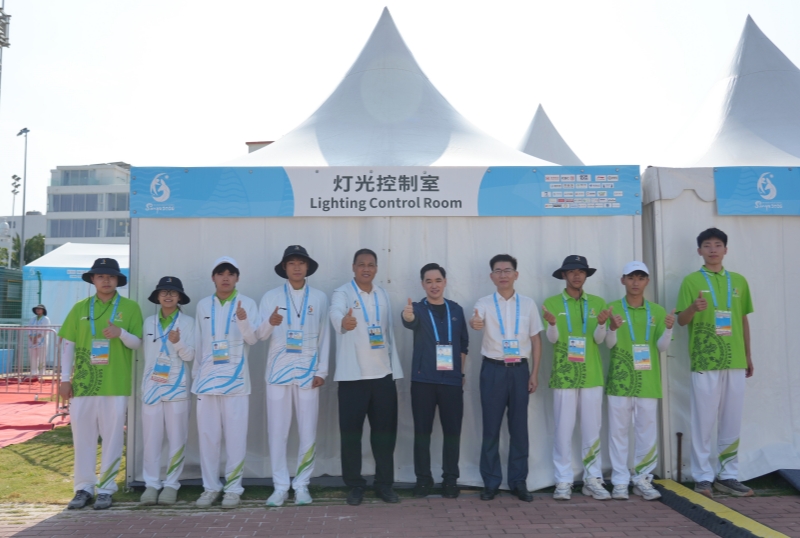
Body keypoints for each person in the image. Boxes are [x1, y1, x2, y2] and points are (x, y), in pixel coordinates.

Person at [237, 246, 330, 507]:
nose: (297, 267)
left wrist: (322, 370)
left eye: (301, 262)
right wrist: (270, 322)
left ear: (308, 267)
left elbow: (325, 335)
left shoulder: (319, 298)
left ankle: (302, 485)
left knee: (307, 431)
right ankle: (280, 487)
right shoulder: (271, 297)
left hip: (308, 374)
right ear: (284, 268)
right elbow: (259, 335)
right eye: (291, 263)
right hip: (278, 374)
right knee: (277, 432)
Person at [58, 258, 143, 510]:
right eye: (101, 276)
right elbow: (68, 345)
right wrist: (64, 379)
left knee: (112, 438)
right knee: (82, 438)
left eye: (111, 276)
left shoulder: (130, 307)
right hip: (84, 384)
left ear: (118, 280)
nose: (106, 280)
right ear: (93, 279)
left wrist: (121, 333)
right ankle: (83, 488)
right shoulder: (80, 308)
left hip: (115, 384)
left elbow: (137, 343)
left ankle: (106, 489)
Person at [676, 228, 754, 498]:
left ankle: (728, 475)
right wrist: (692, 308)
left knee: (731, 419)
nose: (712, 249)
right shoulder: (691, 281)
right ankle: (702, 477)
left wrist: (748, 355)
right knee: (704, 421)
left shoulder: (739, 281)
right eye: (707, 245)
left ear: (725, 250)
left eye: (718, 245)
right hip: (705, 360)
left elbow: (743, 319)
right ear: (699, 251)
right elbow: (681, 321)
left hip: (735, 360)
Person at [330, 248, 403, 506]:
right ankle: (355, 485)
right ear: (353, 267)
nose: (366, 269)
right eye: (361, 264)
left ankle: (384, 484)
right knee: (351, 435)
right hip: (353, 378)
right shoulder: (342, 293)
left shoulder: (382, 294)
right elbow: (335, 313)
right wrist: (343, 323)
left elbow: (387, 332)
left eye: (371, 265)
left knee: (384, 435)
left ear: (376, 269)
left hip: (383, 376)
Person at [470, 254, 542, 502]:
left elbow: (536, 340)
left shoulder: (528, 304)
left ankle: (518, 482)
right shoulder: (484, 303)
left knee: (519, 428)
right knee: (491, 428)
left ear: (516, 274)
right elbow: (476, 320)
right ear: (492, 276)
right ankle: (491, 482)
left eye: (507, 270)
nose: (503, 275)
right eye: (498, 271)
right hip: (493, 369)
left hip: (520, 370)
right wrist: (475, 323)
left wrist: (534, 373)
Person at [192, 256, 260, 509]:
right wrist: (196, 377)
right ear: (213, 277)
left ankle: (233, 489)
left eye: (231, 274)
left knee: (235, 439)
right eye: (221, 273)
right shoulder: (203, 305)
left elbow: (253, 340)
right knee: (208, 438)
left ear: (237, 278)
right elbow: (199, 343)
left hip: (236, 384)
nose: (225, 278)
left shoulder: (248, 304)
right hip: (207, 382)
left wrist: (243, 321)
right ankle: (210, 488)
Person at [542, 255, 611, 501]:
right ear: (564, 275)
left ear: (586, 275)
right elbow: (552, 339)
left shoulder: (598, 302)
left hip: (591, 375)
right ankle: (563, 480)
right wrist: (552, 324)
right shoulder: (551, 303)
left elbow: (599, 340)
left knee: (592, 430)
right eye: (571, 271)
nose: (576, 275)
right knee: (563, 430)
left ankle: (593, 479)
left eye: (581, 271)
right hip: (564, 376)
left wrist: (602, 325)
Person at [605, 262, 674, 501]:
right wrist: (612, 328)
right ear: (622, 280)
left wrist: (668, 330)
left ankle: (643, 479)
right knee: (618, 433)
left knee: (646, 433)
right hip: (620, 381)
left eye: (641, 278)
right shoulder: (612, 308)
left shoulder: (657, 311)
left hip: (648, 382)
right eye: (631, 277)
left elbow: (661, 347)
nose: (636, 282)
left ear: (647, 281)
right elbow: (609, 344)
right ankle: (620, 481)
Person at [402, 263, 469, 499]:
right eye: (428, 281)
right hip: (424, 381)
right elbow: (408, 320)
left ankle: (450, 480)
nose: (434, 285)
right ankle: (423, 480)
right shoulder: (417, 309)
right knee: (422, 432)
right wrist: (407, 316)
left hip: (451, 381)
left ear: (445, 282)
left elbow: (463, 344)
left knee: (452, 433)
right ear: (422, 284)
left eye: (438, 280)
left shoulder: (456, 310)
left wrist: (460, 373)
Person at [139, 277, 195, 506]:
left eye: (173, 292)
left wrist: (178, 342)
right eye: (164, 292)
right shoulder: (149, 322)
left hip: (177, 387)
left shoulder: (188, 322)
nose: (168, 296)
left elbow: (190, 356)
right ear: (157, 296)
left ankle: (171, 484)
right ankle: (151, 484)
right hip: (152, 386)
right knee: (151, 439)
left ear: (179, 296)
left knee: (177, 438)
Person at [26, 304, 51, 381]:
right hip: (32, 341)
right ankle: (33, 372)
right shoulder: (32, 319)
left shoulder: (46, 319)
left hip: (41, 340)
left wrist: (37, 337)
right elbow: (29, 328)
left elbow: (46, 330)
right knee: (32, 357)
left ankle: (41, 373)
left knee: (41, 357)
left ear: (43, 310)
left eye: (40, 309)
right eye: (37, 309)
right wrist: (31, 337)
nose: (38, 310)